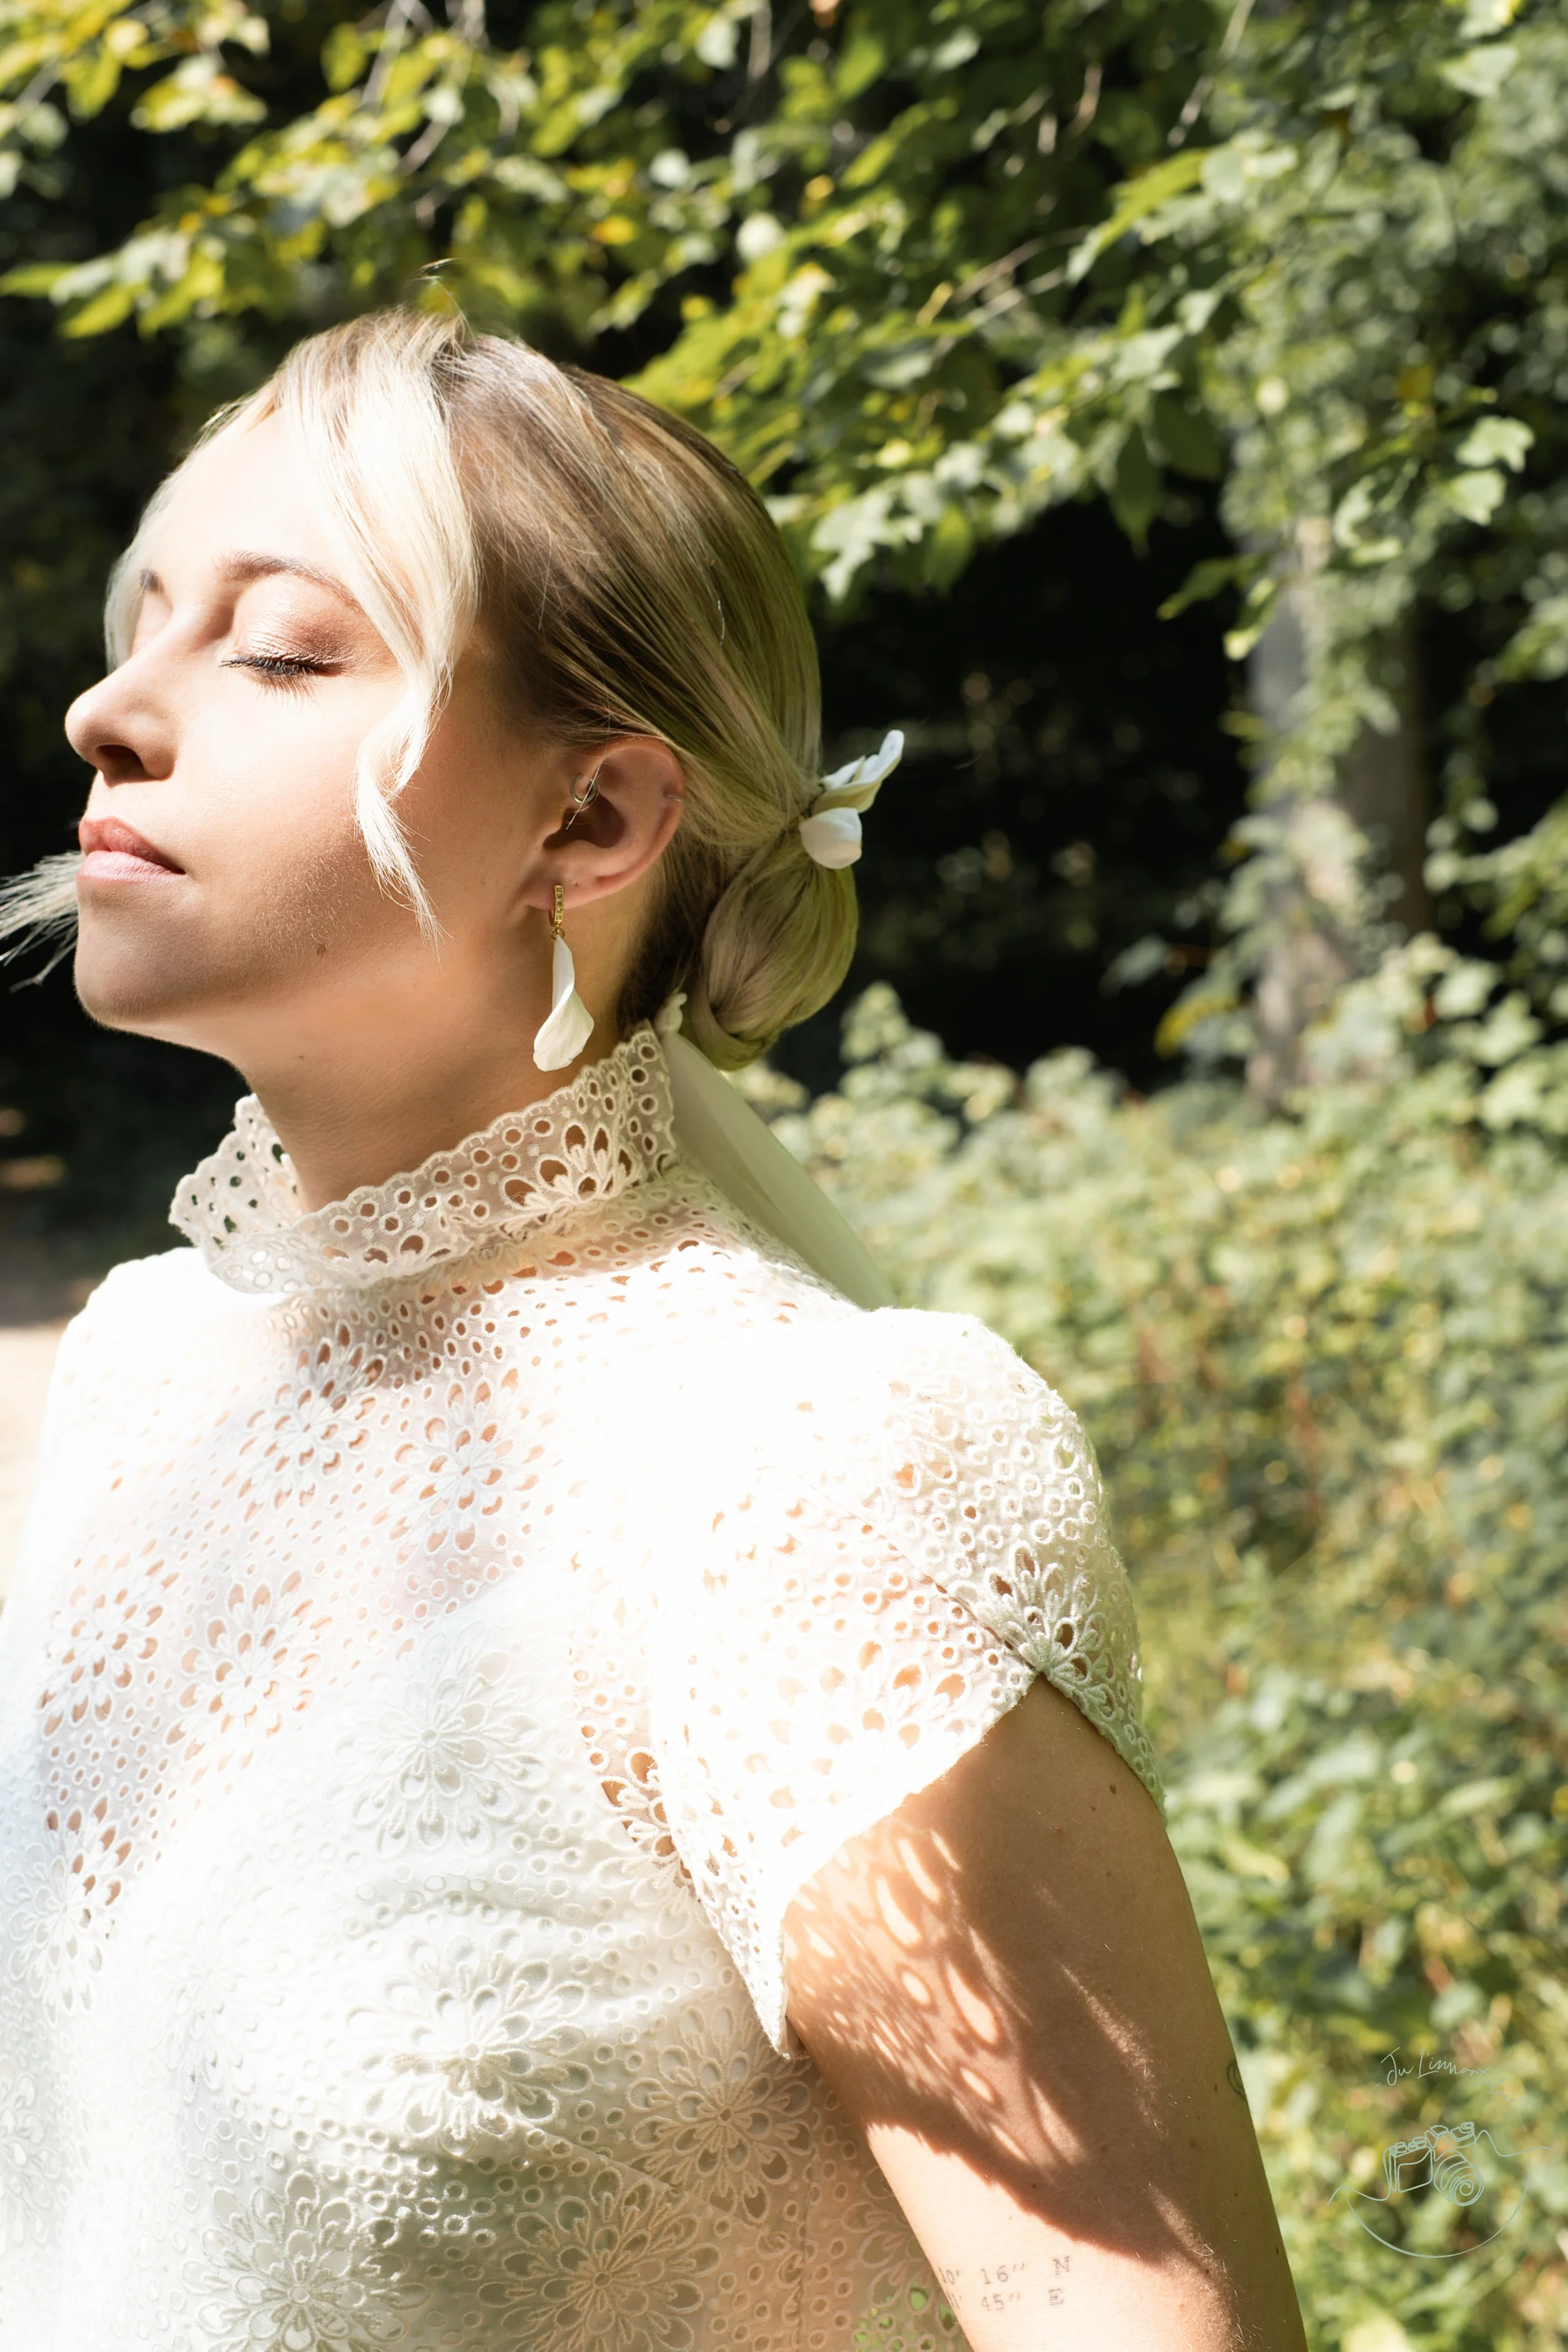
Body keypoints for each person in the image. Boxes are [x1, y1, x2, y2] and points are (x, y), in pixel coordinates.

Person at [0, 307, 1307, 2351]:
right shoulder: (143, 1363)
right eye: (144, 622)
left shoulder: (807, 1476)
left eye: (274, 648)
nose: (104, 708)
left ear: (591, 826)